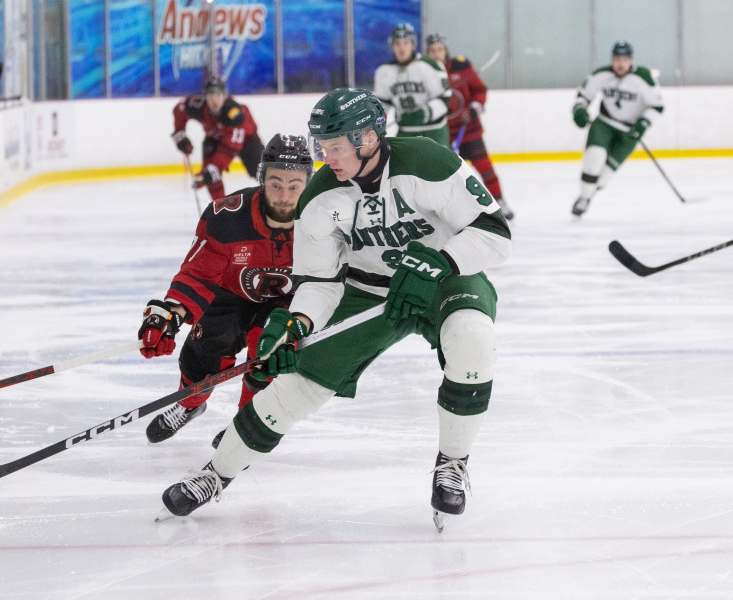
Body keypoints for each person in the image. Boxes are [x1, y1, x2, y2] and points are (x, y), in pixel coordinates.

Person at [157, 88, 512, 532]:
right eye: (321, 146)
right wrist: (295, 323)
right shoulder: (321, 197)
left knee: (473, 338)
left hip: (445, 278)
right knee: (295, 388)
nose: (326, 157)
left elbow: (496, 234)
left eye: (335, 146)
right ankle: (216, 473)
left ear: (368, 138)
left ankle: (453, 462)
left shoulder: (429, 163)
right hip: (365, 291)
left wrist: (441, 260)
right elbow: (320, 283)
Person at [139, 134, 313, 445]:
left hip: (288, 300)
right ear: (261, 178)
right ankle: (190, 405)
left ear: (308, 183)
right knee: (200, 358)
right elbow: (198, 274)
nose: (284, 195)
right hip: (230, 292)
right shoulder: (227, 218)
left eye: (294, 185)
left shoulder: (322, 220)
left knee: (268, 352)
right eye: (275, 183)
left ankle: (245, 421)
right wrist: (170, 314)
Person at [571, 40, 663, 216]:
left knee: (604, 177)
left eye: (624, 60)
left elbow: (657, 106)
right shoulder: (601, 74)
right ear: (612, 59)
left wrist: (643, 123)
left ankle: (589, 195)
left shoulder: (644, 77)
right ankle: (583, 198)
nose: (620, 64)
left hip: (629, 132)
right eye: (617, 59)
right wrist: (580, 110)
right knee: (593, 161)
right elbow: (582, 96)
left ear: (631, 60)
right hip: (604, 124)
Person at [426, 33, 514, 220]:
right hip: (444, 134)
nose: (436, 54)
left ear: (446, 50)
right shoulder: (424, 72)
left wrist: (475, 107)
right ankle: (450, 212)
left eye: (440, 50)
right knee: (449, 176)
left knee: (485, 168)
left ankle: (500, 201)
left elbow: (479, 90)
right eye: (432, 51)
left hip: (469, 130)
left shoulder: (462, 66)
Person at [171, 76, 263, 201]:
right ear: (205, 96)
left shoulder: (234, 113)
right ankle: (220, 209)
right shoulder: (198, 106)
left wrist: (215, 167)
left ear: (224, 96)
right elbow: (179, 110)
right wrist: (179, 133)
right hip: (216, 140)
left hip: (247, 141)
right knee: (211, 175)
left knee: (263, 172)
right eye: (210, 96)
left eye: (218, 96)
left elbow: (230, 148)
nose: (214, 101)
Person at [373, 23, 452, 148]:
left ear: (413, 45)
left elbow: (444, 100)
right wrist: (375, 125)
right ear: (392, 46)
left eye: (406, 43)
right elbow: (383, 105)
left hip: (434, 131)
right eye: (397, 43)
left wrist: (423, 114)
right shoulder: (384, 71)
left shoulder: (431, 66)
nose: (401, 48)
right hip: (405, 132)